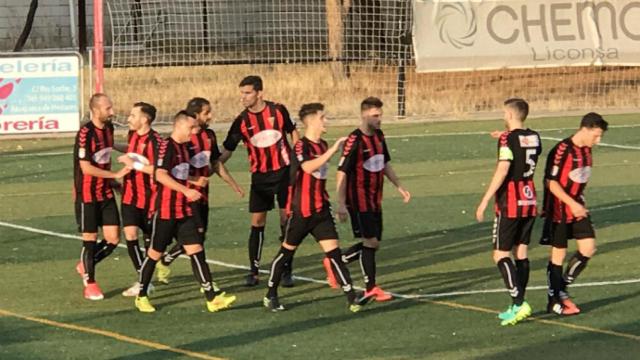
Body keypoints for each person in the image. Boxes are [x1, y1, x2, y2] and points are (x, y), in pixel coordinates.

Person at [263, 103, 365, 313]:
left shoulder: (322, 144)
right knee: (286, 253)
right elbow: (308, 167)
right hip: (300, 211)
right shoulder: (302, 146)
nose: (326, 121)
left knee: (334, 254)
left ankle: (351, 296)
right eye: (322, 117)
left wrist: (340, 203)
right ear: (311, 121)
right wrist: (333, 150)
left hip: (320, 211)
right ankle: (270, 294)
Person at [134, 111, 236, 313]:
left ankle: (211, 298)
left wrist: (193, 180)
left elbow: (178, 173)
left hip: (184, 210)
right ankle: (141, 295)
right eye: (192, 128)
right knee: (154, 254)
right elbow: (161, 175)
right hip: (165, 211)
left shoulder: (185, 148)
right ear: (179, 126)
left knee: (196, 251)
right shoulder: (166, 146)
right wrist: (186, 189)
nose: (195, 131)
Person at [219, 76, 299, 287]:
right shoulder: (241, 121)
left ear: (259, 93)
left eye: (247, 93)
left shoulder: (278, 111)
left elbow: (292, 132)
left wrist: (299, 158)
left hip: (284, 174)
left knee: (286, 222)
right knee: (257, 223)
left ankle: (286, 270)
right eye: (242, 93)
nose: (243, 97)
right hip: (260, 177)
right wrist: (210, 166)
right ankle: (254, 271)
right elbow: (227, 149)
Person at [154, 97, 244, 284]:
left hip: (202, 195)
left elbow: (215, 163)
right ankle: (206, 285)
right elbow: (172, 170)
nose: (210, 116)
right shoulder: (184, 139)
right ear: (195, 116)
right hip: (183, 197)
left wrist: (232, 184)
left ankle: (166, 260)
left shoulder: (209, 135)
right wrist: (193, 181)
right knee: (195, 240)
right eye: (206, 113)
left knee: (198, 238)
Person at [329, 97, 411, 302]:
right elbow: (342, 173)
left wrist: (399, 186)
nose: (379, 119)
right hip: (358, 200)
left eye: (380, 115)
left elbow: (384, 163)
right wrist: (341, 204)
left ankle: (335, 262)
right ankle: (371, 287)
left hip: (375, 199)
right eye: (375, 115)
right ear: (364, 115)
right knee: (370, 241)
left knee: (374, 244)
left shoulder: (380, 136)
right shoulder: (354, 141)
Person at [475, 98, 541, 326]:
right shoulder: (535, 136)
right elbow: (520, 146)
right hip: (530, 199)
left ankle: (519, 302)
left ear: (511, 115)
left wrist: (484, 200)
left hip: (510, 203)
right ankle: (516, 305)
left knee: (501, 255)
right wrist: (504, 138)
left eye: (505, 113)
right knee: (521, 253)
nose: (503, 117)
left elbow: (504, 169)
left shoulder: (507, 138)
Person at [541, 112, 608, 316]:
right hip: (559, 208)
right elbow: (551, 183)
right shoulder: (562, 150)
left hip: (578, 206)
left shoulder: (587, 151)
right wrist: (571, 202)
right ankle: (554, 301)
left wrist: (579, 201)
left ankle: (561, 289)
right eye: (596, 135)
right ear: (584, 129)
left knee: (588, 248)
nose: (598, 140)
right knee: (558, 255)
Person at [73, 93, 131, 300]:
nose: (112, 112)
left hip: (105, 192)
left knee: (113, 239)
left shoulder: (109, 128)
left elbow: (104, 158)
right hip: (87, 194)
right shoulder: (85, 133)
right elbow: (86, 168)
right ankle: (90, 283)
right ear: (95, 110)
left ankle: (85, 265)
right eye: (108, 108)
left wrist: (113, 183)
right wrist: (115, 174)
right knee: (89, 239)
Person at [116, 102, 163, 297]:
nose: (129, 119)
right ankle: (142, 281)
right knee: (130, 235)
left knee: (150, 244)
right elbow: (132, 150)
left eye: (133, 115)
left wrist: (133, 164)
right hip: (129, 195)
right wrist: (111, 145)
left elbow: (158, 170)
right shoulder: (132, 135)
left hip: (150, 199)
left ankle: (147, 279)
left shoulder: (156, 141)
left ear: (145, 119)